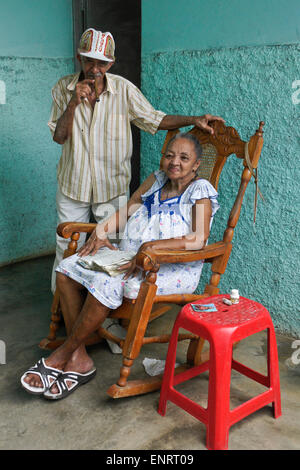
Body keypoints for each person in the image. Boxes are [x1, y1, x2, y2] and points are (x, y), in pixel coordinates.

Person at [21, 132, 219, 400]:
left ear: (196, 165)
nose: (175, 162)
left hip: (169, 269)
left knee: (106, 281)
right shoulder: (157, 180)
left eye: (184, 158)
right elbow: (128, 209)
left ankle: (64, 353)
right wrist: (101, 230)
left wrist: (151, 249)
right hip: (131, 259)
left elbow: (198, 239)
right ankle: (79, 357)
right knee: (68, 267)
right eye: (170, 155)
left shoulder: (200, 190)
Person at [48, 27, 224, 292]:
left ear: (111, 63)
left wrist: (193, 119)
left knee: (110, 248)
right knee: (66, 248)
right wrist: (73, 102)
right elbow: (59, 136)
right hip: (73, 184)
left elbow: (155, 119)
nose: (95, 68)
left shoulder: (123, 90)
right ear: (79, 58)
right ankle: (63, 307)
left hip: (111, 187)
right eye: (89, 61)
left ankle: (101, 310)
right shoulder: (64, 88)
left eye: (102, 62)